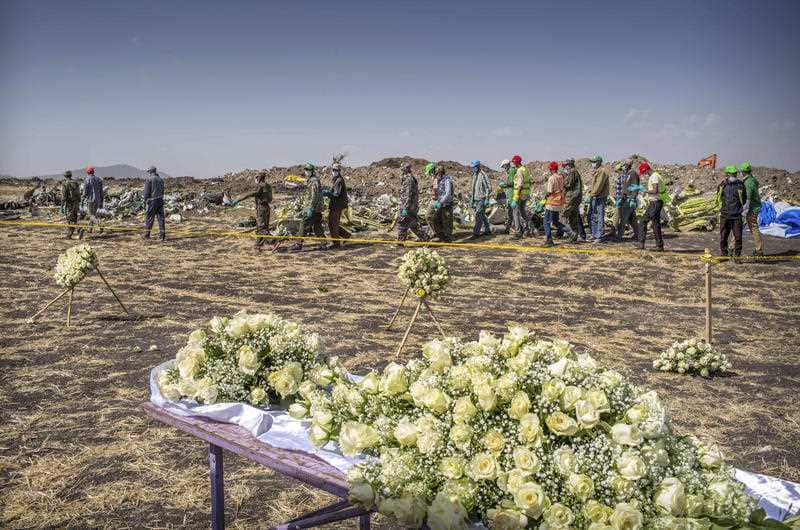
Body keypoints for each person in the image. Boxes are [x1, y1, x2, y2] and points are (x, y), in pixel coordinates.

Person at [291, 163, 326, 251]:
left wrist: (311, 208)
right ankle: (323, 243)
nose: (306, 171)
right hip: (317, 207)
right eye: (305, 169)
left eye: (308, 170)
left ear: (312, 171)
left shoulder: (313, 181)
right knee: (317, 225)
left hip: (313, 207)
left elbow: (314, 195)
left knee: (304, 223)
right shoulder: (313, 180)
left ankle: (298, 244)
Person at [234, 170, 272, 250]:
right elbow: (270, 199)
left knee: (262, 228)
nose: (256, 179)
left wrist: (239, 199)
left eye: (256, 178)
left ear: (259, 178)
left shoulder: (260, 186)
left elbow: (252, 193)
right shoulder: (268, 186)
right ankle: (258, 245)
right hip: (267, 207)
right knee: (261, 227)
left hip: (261, 209)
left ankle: (274, 241)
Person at [717, 165, 747, 258]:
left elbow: (744, 198)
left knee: (738, 237)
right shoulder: (722, 185)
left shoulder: (740, 185)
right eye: (732, 173)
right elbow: (719, 197)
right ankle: (724, 254)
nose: (733, 175)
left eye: (734, 174)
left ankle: (737, 256)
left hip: (736, 216)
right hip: (725, 215)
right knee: (723, 237)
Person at [636, 162, 666, 251]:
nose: (644, 175)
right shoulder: (655, 175)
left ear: (646, 170)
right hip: (654, 203)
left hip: (655, 202)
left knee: (643, 221)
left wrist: (645, 191)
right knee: (655, 224)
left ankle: (642, 244)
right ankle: (659, 246)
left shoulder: (654, 176)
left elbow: (655, 190)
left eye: (644, 173)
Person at [397, 163, 429, 242]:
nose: (401, 171)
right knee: (413, 224)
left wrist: (405, 208)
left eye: (402, 169)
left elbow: (409, 195)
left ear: (405, 169)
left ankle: (400, 242)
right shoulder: (408, 178)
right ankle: (425, 238)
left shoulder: (409, 180)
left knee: (402, 222)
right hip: (411, 206)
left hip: (408, 206)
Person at [325, 162, 351, 249]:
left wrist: (327, 193)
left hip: (337, 206)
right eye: (333, 170)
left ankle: (336, 244)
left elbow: (336, 194)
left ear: (339, 171)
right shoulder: (335, 179)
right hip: (335, 205)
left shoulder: (339, 180)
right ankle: (346, 235)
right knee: (331, 223)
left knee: (333, 224)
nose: (334, 171)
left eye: (336, 170)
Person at [543, 162, 569, 246]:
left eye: (550, 169)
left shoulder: (551, 178)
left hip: (551, 202)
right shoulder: (561, 177)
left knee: (546, 221)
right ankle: (570, 231)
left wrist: (545, 196)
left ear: (552, 169)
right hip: (559, 202)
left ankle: (549, 240)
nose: (549, 170)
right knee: (555, 221)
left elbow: (550, 191)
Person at [740, 162, 764, 256]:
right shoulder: (752, 180)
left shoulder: (748, 182)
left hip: (751, 209)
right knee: (752, 227)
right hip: (755, 207)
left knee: (751, 228)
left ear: (743, 172)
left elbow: (748, 199)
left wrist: (743, 211)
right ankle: (759, 249)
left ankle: (759, 250)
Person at [426, 165, 454, 242]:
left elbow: (447, 193)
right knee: (432, 218)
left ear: (441, 173)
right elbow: (436, 191)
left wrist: (440, 202)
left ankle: (448, 240)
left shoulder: (447, 180)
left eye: (437, 173)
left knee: (447, 222)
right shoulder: (438, 179)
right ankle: (440, 235)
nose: (436, 175)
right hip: (439, 203)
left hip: (446, 204)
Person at [615, 159, 640, 241]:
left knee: (623, 218)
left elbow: (636, 187)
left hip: (629, 199)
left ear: (628, 165)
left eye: (625, 164)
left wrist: (633, 198)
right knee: (632, 219)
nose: (624, 166)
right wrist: (620, 198)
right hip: (624, 198)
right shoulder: (626, 174)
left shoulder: (633, 174)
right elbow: (624, 187)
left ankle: (619, 236)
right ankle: (638, 234)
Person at [561, 158, 586, 242]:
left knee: (563, 215)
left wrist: (562, 179)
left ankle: (569, 233)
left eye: (566, 165)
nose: (566, 167)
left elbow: (568, 184)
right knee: (573, 216)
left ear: (569, 164)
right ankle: (574, 236)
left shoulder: (572, 172)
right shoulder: (575, 171)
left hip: (572, 197)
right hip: (576, 197)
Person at [468, 160, 492, 239]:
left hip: (482, 198)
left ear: (478, 166)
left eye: (474, 167)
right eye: (472, 168)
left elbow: (489, 187)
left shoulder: (483, 175)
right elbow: (473, 187)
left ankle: (476, 233)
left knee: (478, 215)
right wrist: (472, 199)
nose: (473, 169)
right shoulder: (474, 174)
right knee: (482, 215)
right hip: (476, 198)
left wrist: (487, 199)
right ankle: (487, 230)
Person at [588, 155, 609, 242]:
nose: (593, 163)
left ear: (599, 162)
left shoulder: (602, 171)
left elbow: (599, 185)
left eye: (594, 162)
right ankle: (594, 234)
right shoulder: (597, 171)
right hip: (595, 196)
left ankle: (599, 236)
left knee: (599, 216)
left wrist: (593, 194)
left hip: (599, 196)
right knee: (594, 215)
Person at [510, 154, 531, 239]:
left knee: (515, 213)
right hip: (525, 194)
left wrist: (515, 198)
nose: (513, 164)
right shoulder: (525, 169)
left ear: (516, 162)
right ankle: (528, 228)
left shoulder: (519, 171)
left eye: (514, 162)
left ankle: (518, 232)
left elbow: (519, 185)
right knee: (522, 211)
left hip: (519, 195)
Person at [142, 166, 166, 241]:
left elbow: (146, 193)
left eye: (149, 172)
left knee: (149, 217)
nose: (148, 173)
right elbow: (162, 191)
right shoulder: (161, 180)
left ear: (150, 172)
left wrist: (146, 200)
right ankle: (162, 235)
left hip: (152, 201)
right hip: (160, 200)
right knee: (161, 218)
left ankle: (147, 234)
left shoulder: (149, 179)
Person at [82, 165, 104, 237]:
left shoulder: (87, 179)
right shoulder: (99, 179)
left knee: (90, 215)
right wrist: (101, 202)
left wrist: (82, 198)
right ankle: (90, 229)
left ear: (87, 172)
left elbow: (85, 192)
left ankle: (98, 224)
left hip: (90, 200)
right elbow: (101, 192)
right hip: (98, 199)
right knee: (93, 214)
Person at [497, 159, 516, 234]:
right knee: (510, 214)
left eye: (504, 167)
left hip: (513, 195)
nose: (504, 169)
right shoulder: (510, 171)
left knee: (514, 214)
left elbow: (512, 183)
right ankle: (508, 229)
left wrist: (504, 185)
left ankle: (516, 230)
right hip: (511, 195)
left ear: (506, 165)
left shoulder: (511, 171)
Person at [61, 170, 81, 239]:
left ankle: (70, 234)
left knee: (69, 218)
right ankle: (78, 230)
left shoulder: (65, 184)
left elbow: (64, 196)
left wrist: (62, 206)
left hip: (69, 203)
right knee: (74, 217)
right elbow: (79, 193)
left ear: (65, 176)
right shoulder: (75, 182)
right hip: (76, 203)